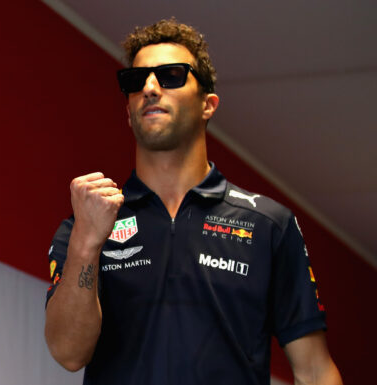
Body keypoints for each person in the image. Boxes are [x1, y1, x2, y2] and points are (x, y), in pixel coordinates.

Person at [44, 18, 343, 385]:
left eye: (171, 75)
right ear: (128, 111)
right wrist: (87, 244)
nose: (150, 87)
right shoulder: (85, 223)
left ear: (208, 104)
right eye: (136, 81)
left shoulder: (268, 224)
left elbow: (314, 370)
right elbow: (68, 353)